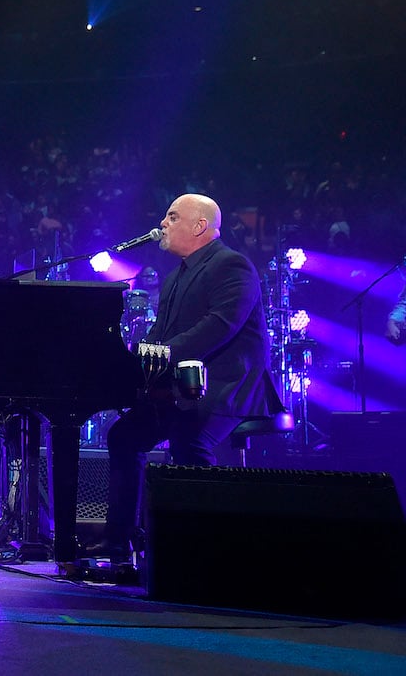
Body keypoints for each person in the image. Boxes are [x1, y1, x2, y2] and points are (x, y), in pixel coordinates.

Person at [94, 193, 280, 562]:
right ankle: (119, 542)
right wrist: (129, 359)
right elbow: (161, 334)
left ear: (199, 226)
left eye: (172, 217)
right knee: (124, 436)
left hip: (226, 387)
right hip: (182, 388)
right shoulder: (179, 274)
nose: (163, 223)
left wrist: (160, 353)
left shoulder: (232, 265)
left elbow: (219, 327)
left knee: (188, 437)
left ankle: (201, 548)